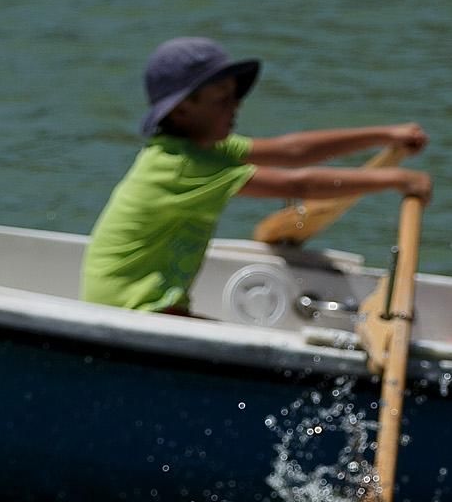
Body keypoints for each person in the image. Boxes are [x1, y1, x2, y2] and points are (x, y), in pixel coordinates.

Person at [79, 35, 430, 314]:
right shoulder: (181, 166)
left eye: (235, 97)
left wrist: (386, 135)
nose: (236, 107)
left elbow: (292, 151)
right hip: (127, 307)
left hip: (143, 304)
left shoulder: (204, 148)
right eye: (222, 100)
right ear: (183, 110)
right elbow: (298, 184)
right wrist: (396, 180)